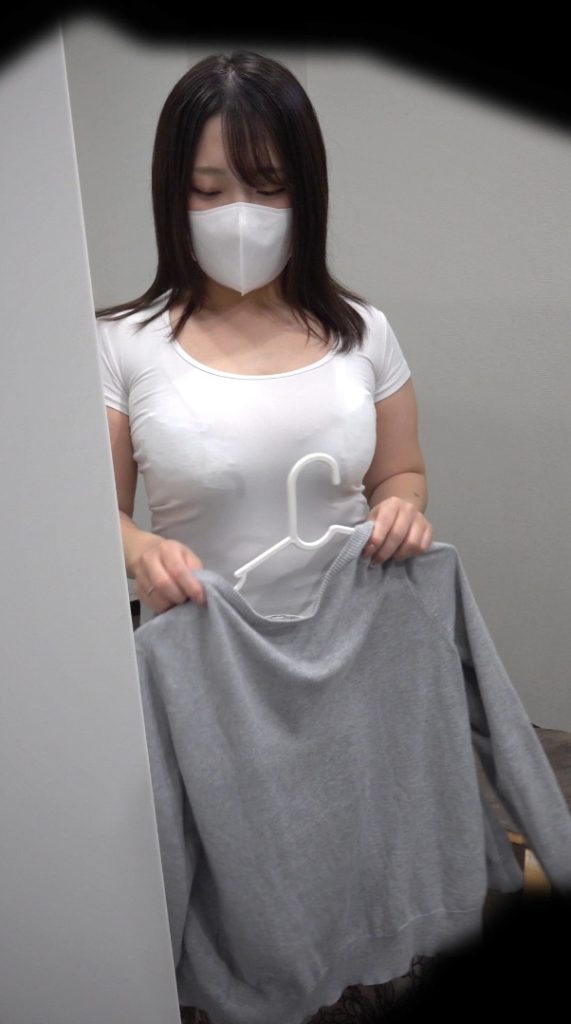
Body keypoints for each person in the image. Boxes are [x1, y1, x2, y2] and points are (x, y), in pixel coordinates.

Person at [96, 50, 434, 1021]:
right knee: (238, 878)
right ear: (171, 193)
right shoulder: (122, 345)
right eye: (208, 189)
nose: (238, 212)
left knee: (348, 854)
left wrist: (402, 509)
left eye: (267, 183)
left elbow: (400, 475)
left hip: (348, 657)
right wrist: (137, 551)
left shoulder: (363, 333)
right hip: (208, 669)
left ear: (306, 189)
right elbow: (93, 515)